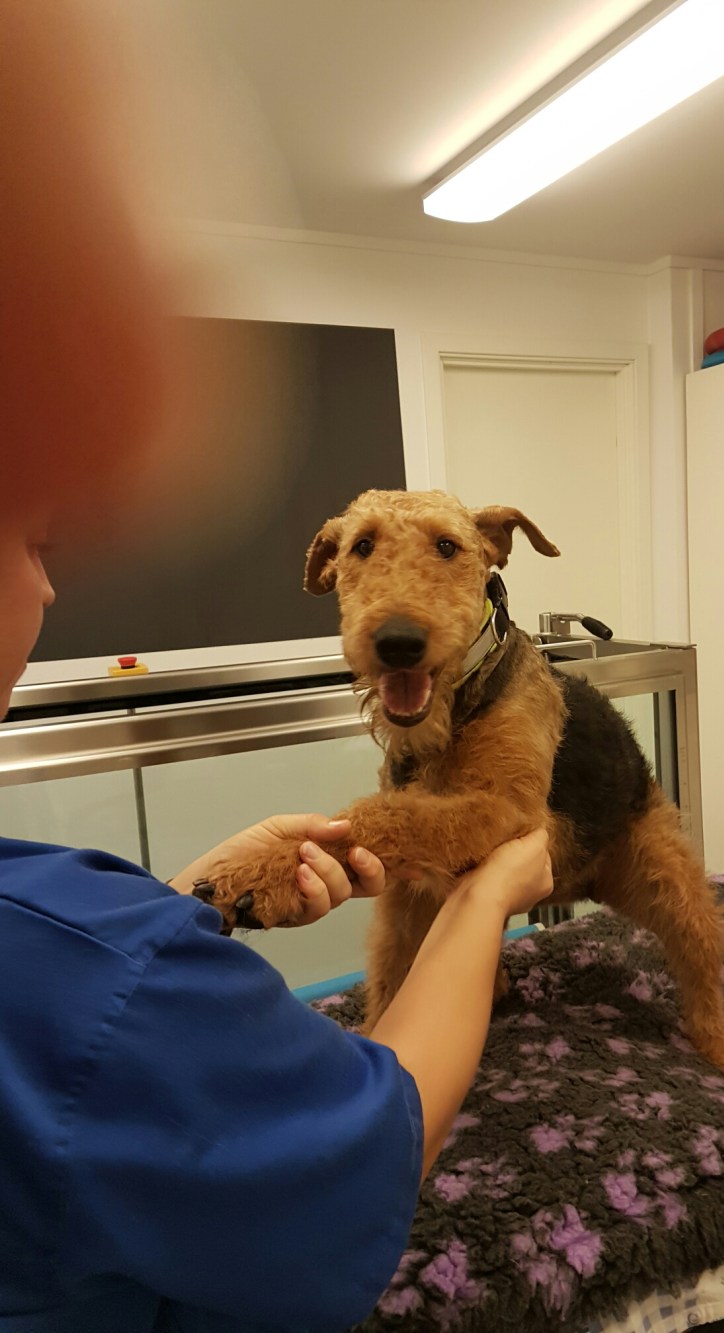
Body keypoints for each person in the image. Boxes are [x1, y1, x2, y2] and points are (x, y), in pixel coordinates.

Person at [0, 4, 554, 1330]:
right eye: (33, 536)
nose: (54, 584)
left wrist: (183, 900)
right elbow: (374, 1141)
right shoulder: (82, 964)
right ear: (330, 567)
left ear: (489, 565)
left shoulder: (65, 941)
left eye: (444, 554)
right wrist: (490, 893)